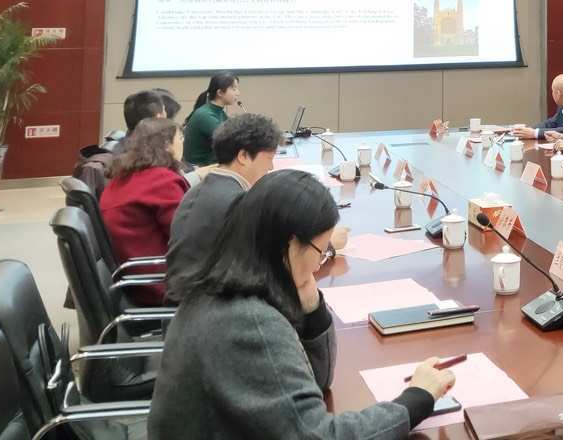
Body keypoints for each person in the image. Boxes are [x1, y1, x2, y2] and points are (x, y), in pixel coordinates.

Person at [150, 170, 454, 438]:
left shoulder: (227, 285)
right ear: (290, 244)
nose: (319, 264)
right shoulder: (247, 323)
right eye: (321, 251)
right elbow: (319, 435)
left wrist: (312, 311)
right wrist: (417, 398)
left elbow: (316, 383)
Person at [166, 113, 281, 289]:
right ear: (243, 156)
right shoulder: (239, 202)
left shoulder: (199, 189)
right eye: (269, 159)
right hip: (206, 299)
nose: (271, 167)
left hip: (186, 292)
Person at [99, 118, 189, 304]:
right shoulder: (162, 181)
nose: (183, 143)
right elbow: (187, 238)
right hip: (161, 284)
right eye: (180, 138)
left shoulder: (125, 176)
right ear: (167, 145)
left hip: (136, 280)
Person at [182, 71, 241, 167]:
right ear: (220, 92)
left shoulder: (219, 112)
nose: (238, 93)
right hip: (198, 168)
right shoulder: (206, 115)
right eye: (234, 89)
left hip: (209, 165)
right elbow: (230, 141)